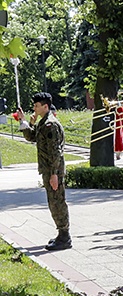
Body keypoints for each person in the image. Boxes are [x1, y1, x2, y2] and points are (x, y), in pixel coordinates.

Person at [18, 92, 71, 250]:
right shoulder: (43, 122)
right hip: (48, 169)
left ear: (45, 106)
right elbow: (32, 137)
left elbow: (55, 151)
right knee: (53, 201)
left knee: (57, 202)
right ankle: (61, 234)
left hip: (53, 170)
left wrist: (54, 173)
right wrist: (25, 121)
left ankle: (65, 236)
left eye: (36, 106)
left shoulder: (50, 124)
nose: (34, 108)